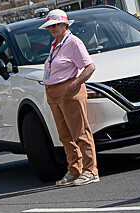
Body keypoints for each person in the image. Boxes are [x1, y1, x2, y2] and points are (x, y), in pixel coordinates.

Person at [40, 9, 98, 186]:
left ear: (65, 24)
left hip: (68, 89)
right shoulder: (56, 44)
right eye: (50, 26)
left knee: (80, 131)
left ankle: (90, 170)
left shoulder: (73, 42)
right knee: (65, 135)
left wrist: (75, 84)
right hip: (54, 92)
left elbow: (90, 67)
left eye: (56, 24)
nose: (53, 28)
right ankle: (75, 169)